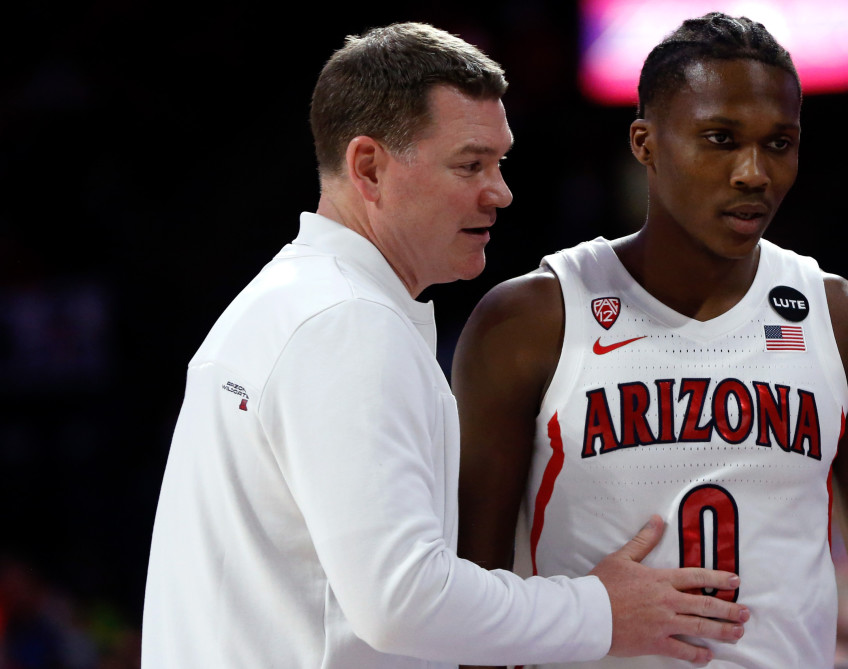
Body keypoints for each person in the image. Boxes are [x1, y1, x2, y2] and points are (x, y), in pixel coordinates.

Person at [140, 22, 750, 669]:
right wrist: (599, 610)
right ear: (369, 167)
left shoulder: (287, 302)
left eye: (501, 162)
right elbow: (400, 597)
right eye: (471, 164)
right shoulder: (349, 324)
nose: (501, 191)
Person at [454, 13, 848, 668]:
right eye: (720, 138)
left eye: (779, 143)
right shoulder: (531, 319)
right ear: (645, 143)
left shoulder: (847, 322)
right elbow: (470, 591)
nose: (754, 172)